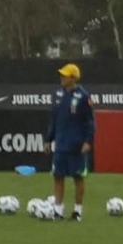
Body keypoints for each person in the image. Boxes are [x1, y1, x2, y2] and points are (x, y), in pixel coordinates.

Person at [49, 63, 95, 221]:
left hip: (77, 145)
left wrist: (88, 141)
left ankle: (77, 211)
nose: (61, 78)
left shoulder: (83, 96)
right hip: (60, 145)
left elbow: (90, 122)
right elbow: (54, 119)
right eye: (61, 75)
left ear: (73, 78)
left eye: (65, 75)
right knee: (58, 176)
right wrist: (48, 139)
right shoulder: (58, 95)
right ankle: (58, 210)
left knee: (78, 178)